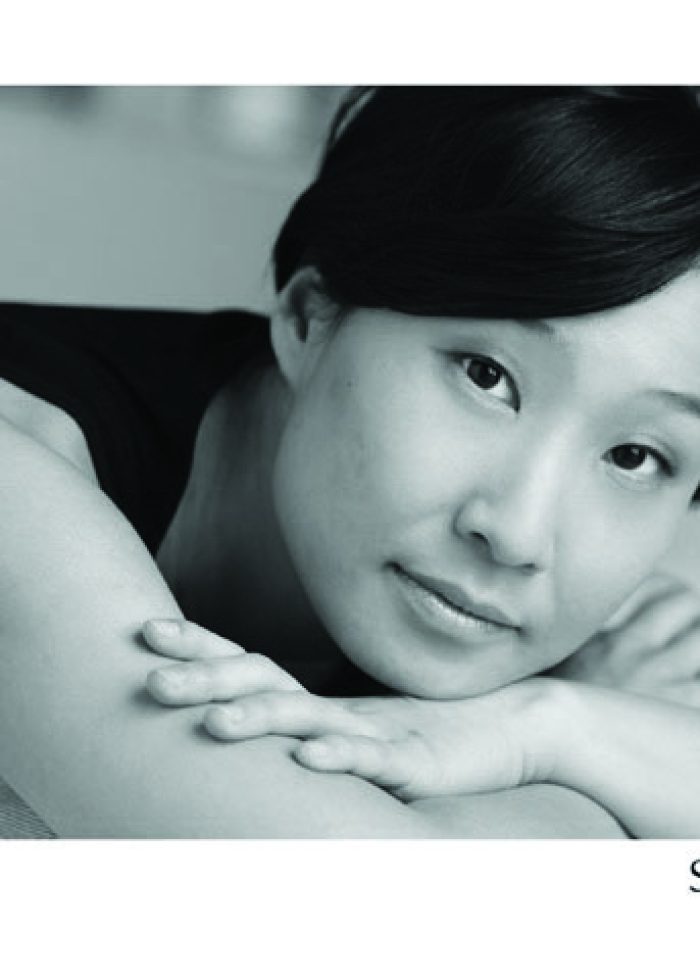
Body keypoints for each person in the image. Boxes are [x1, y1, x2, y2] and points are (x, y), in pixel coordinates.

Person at [2, 86, 700, 838]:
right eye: (486, 377)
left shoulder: (610, 627)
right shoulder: (20, 481)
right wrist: (594, 771)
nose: (520, 535)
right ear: (311, 316)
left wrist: (545, 727)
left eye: (635, 455)